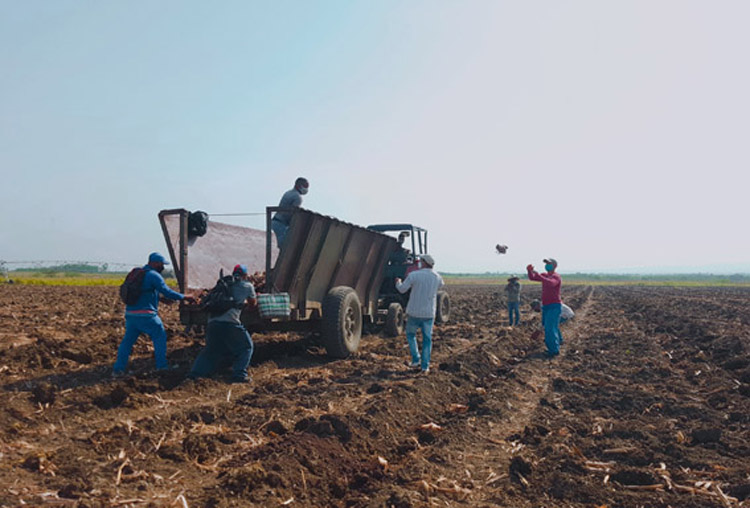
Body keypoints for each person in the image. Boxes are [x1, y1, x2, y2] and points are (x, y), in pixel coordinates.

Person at [113, 252, 195, 377]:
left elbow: (145, 292)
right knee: (160, 336)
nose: (163, 267)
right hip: (147, 316)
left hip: (131, 315)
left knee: (127, 342)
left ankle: (118, 369)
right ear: (155, 263)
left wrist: (160, 299)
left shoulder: (137, 273)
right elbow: (167, 291)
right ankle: (162, 367)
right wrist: (185, 297)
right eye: (162, 264)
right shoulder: (154, 275)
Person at [189, 264, 257, 383]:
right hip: (230, 323)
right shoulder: (247, 286)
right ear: (245, 275)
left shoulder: (222, 284)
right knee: (246, 347)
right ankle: (239, 375)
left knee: (210, 350)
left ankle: (195, 374)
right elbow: (253, 304)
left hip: (212, 323)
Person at [395, 254, 445, 375]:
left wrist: (398, 282)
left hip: (414, 312)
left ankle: (416, 359)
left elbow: (402, 289)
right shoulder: (437, 277)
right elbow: (440, 286)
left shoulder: (414, 275)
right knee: (427, 340)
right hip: (429, 313)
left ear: (423, 262)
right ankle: (425, 367)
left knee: (411, 335)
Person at [526, 257, 562, 357]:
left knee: (550, 328)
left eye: (549, 263)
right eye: (546, 263)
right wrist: (529, 271)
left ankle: (554, 350)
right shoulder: (545, 275)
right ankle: (555, 346)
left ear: (554, 266)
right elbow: (532, 277)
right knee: (549, 327)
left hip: (554, 306)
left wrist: (538, 275)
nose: (547, 265)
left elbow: (550, 283)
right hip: (546, 306)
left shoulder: (556, 277)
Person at [271, 177, 309, 249]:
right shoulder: (298, 197)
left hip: (275, 222)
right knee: (285, 248)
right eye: (305, 186)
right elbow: (293, 214)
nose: (306, 189)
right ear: (299, 185)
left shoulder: (288, 193)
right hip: (281, 225)